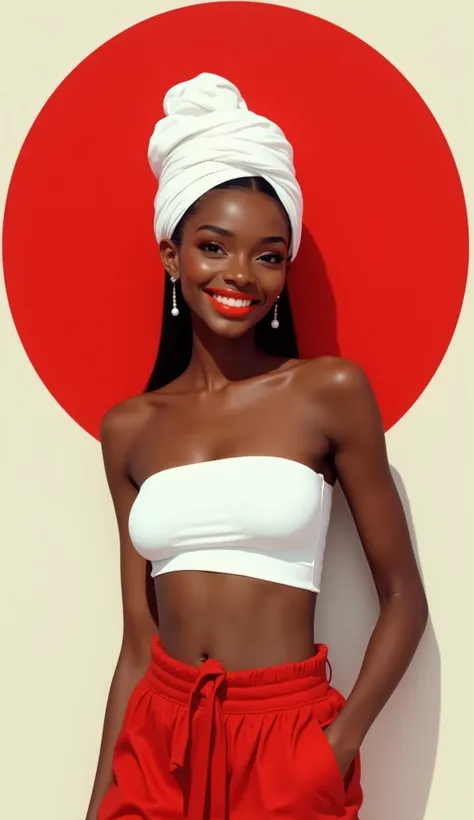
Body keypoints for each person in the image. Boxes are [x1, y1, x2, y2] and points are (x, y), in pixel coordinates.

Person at [86, 73, 428, 820]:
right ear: (172, 257)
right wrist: (98, 797)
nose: (240, 275)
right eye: (214, 247)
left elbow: (404, 600)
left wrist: (333, 749)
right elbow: (138, 644)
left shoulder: (328, 391)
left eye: (269, 256)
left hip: (286, 740)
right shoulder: (129, 428)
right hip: (158, 740)